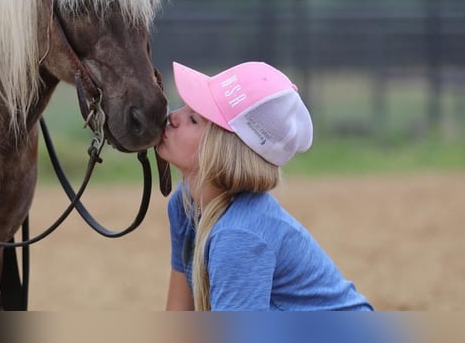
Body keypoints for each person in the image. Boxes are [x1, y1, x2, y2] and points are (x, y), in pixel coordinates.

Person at [157, 60, 373, 311]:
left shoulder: (238, 234)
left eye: (193, 119)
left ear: (223, 150)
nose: (172, 117)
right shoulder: (185, 205)